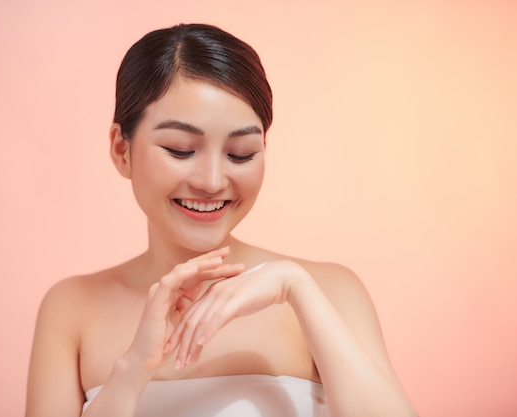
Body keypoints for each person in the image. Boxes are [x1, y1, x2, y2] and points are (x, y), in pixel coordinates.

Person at [25, 23, 417, 417]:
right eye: (180, 150)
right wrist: (131, 369)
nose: (212, 182)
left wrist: (296, 287)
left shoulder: (330, 289)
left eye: (241, 153)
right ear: (121, 149)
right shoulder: (71, 309)